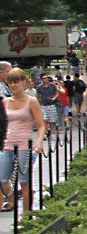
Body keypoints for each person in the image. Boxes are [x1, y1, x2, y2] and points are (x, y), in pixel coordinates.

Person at [0, 68, 45, 212]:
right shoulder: (5, 102)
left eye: (16, 82)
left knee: (24, 182)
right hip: (7, 144)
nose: (13, 85)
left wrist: (38, 142)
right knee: (1, 181)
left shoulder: (31, 101)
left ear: (24, 82)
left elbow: (40, 125)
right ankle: (9, 201)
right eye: (10, 83)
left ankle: (26, 216)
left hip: (24, 145)